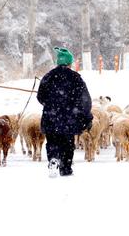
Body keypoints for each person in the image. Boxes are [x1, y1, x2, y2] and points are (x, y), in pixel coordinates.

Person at [37, 47, 93, 177]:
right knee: (67, 143)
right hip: (69, 118)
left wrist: (51, 105)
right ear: (69, 63)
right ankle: (66, 168)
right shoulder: (76, 78)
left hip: (50, 117)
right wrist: (87, 117)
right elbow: (85, 100)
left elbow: (40, 96)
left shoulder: (48, 76)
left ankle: (53, 160)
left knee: (52, 141)